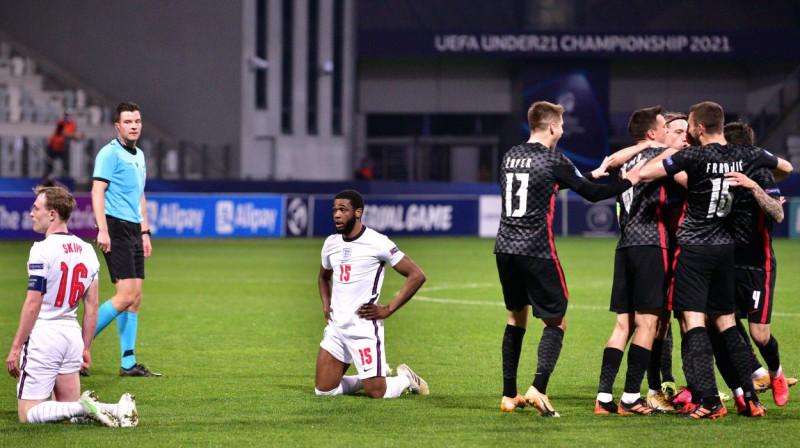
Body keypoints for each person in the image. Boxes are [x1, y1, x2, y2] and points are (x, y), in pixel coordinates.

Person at [639, 101, 788, 418]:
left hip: (695, 247)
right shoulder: (746, 156)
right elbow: (786, 168)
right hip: (726, 250)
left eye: (688, 126)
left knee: (692, 321)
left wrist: (667, 152)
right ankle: (748, 399)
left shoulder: (693, 157)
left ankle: (708, 399)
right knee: (726, 323)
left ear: (700, 128)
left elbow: (645, 172)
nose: (686, 132)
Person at [496, 101, 644, 417]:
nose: (562, 129)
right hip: (536, 250)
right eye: (561, 124)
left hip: (504, 248)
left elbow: (549, 182)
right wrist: (630, 180)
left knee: (515, 317)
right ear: (552, 127)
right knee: (556, 320)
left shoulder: (510, 155)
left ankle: (509, 395)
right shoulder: (554, 159)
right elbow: (591, 194)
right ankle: (539, 387)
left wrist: (593, 173)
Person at [5, 186, 137, 427]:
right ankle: (115, 409)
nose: (32, 213)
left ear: (52, 214)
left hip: (44, 336)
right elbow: (92, 306)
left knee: (27, 414)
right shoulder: (87, 251)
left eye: (36, 208)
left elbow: (34, 303)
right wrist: (86, 348)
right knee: (69, 417)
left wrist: (15, 347)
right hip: (71, 336)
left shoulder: (41, 250)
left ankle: (84, 405)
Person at [314, 189, 429, 399]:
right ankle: (372, 374)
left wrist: (388, 309)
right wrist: (325, 304)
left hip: (363, 327)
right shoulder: (331, 243)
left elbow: (416, 275)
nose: (337, 215)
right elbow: (323, 277)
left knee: (376, 392)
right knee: (324, 390)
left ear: (358, 212)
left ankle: (405, 378)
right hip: (337, 327)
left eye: (343, 210)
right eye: (334, 210)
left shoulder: (377, 242)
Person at [594, 106, 670, 415]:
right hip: (651, 243)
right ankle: (629, 398)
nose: (668, 133)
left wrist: (641, 145)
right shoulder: (662, 155)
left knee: (622, 325)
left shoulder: (626, 160)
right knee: (648, 323)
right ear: (652, 133)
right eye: (664, 128)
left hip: (624, 244)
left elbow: (613, 160)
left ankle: (603, 398)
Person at [88, 102, 159, 377]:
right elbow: (97, 191)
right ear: (117, 126)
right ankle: (74, 349)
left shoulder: (139, 155)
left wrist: (145, 232)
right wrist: (102, 229)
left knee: (135, 297)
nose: (134, 125)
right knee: (125, 295)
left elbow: (139, 194)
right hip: (115, 227)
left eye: (137, 121)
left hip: (133, 229)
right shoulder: (109, 153)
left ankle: (128, 362)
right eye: (128, 121)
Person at [724, 121, 791, 408]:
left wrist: (753, 187)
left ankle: (776, 373)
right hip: (727, 261)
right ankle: (754, 374)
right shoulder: (721, 174)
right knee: (724, 321)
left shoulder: (761, 173)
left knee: (759, 334)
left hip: (757, 265)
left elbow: (777, 213)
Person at [45, 108, 82, 176]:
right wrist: (74, 135)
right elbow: (62, 132)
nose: (68, 116)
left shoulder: (72, 123)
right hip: (53, 146)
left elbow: (73, 134)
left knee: (65, 164)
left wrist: (77, 137)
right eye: (67, 115)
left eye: (69, 115)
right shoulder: (61, 121)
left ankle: (64, 177)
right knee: (50, 165)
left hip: (62, 147)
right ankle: (48, 178)